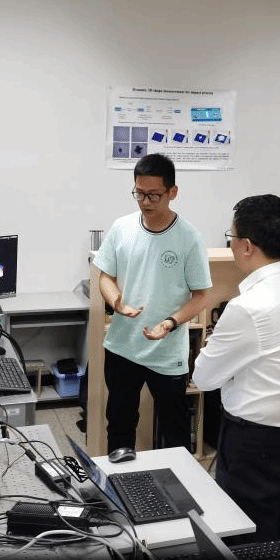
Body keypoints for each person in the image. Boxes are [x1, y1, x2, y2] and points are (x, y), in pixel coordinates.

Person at [191, 194, 280, 554]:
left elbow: (203, 377)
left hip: (253, 443)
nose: (231, 245)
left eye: (231, 237)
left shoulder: (247, 307)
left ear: (247, 246)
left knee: (247, 535)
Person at [92, 154, 212, 458]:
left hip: (166, 351)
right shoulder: (122, 228)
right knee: (119, 425)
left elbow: (201, 297)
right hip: (123, 346)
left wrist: (170, 323)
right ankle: (120, 483)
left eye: (153, 195)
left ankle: (178, 483)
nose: (145, 201)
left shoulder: (189, 238)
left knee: (175, 432)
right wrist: (116, 301)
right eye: (139, 193)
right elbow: (105, 276)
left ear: (172, 192)